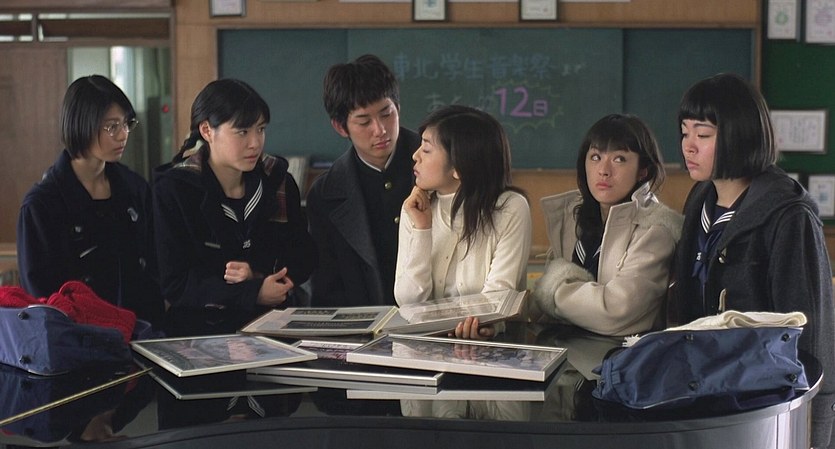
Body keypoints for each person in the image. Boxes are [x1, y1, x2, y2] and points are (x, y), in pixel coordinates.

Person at [670, 72, 835, 448]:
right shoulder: (700, 201)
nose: (688, 146)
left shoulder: (788, 215)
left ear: (739, 135)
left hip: (763, 410)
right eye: (684, 132)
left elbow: (813, 333)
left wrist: (817, 428)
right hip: (707, 398)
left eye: (703, 135)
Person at [152, 78, 316, 337]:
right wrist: (251, 291)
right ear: (207, 130)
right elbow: (175, 283)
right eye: (242, 132)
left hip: (273, 327)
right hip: (201, 334)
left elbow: (303, 255)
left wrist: (262, 277)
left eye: (260, 129)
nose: (255, 142)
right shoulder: (176, 189)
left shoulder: (277, 180)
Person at [16, 74, 164, 326]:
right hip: (76, 337)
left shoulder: (134, 188)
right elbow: (40, 295)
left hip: (140, 331)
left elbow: (154, 266)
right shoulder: (42, 204)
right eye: (112, 126)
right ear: (82, 125)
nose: (123, 135)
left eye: (126, 124)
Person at [531, 114, 682, 336]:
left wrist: (551, 288)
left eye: (619, 159)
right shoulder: (573, 216)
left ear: (643, 170)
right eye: (595, 157)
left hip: (621, 353)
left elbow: (614, 311)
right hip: (567, 346)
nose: (603, 170)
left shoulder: (655, 230)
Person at [394, 105, 532, 340]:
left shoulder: (510, 208)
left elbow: (498, 298)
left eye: (426, 149)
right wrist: (422, 230)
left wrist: (484, 324)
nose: (415, 155)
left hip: (495, 345)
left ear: (458, 167)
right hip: (427, 343)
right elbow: (408, 303)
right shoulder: (416, 208)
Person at [306, 54, 421, 308]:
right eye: (364, 121)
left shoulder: (439, 160)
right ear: (340, 127)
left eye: (386, 114)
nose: (380, 130)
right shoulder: (325, 193)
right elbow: (327, 290)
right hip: (367, 325)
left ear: (398, 108)